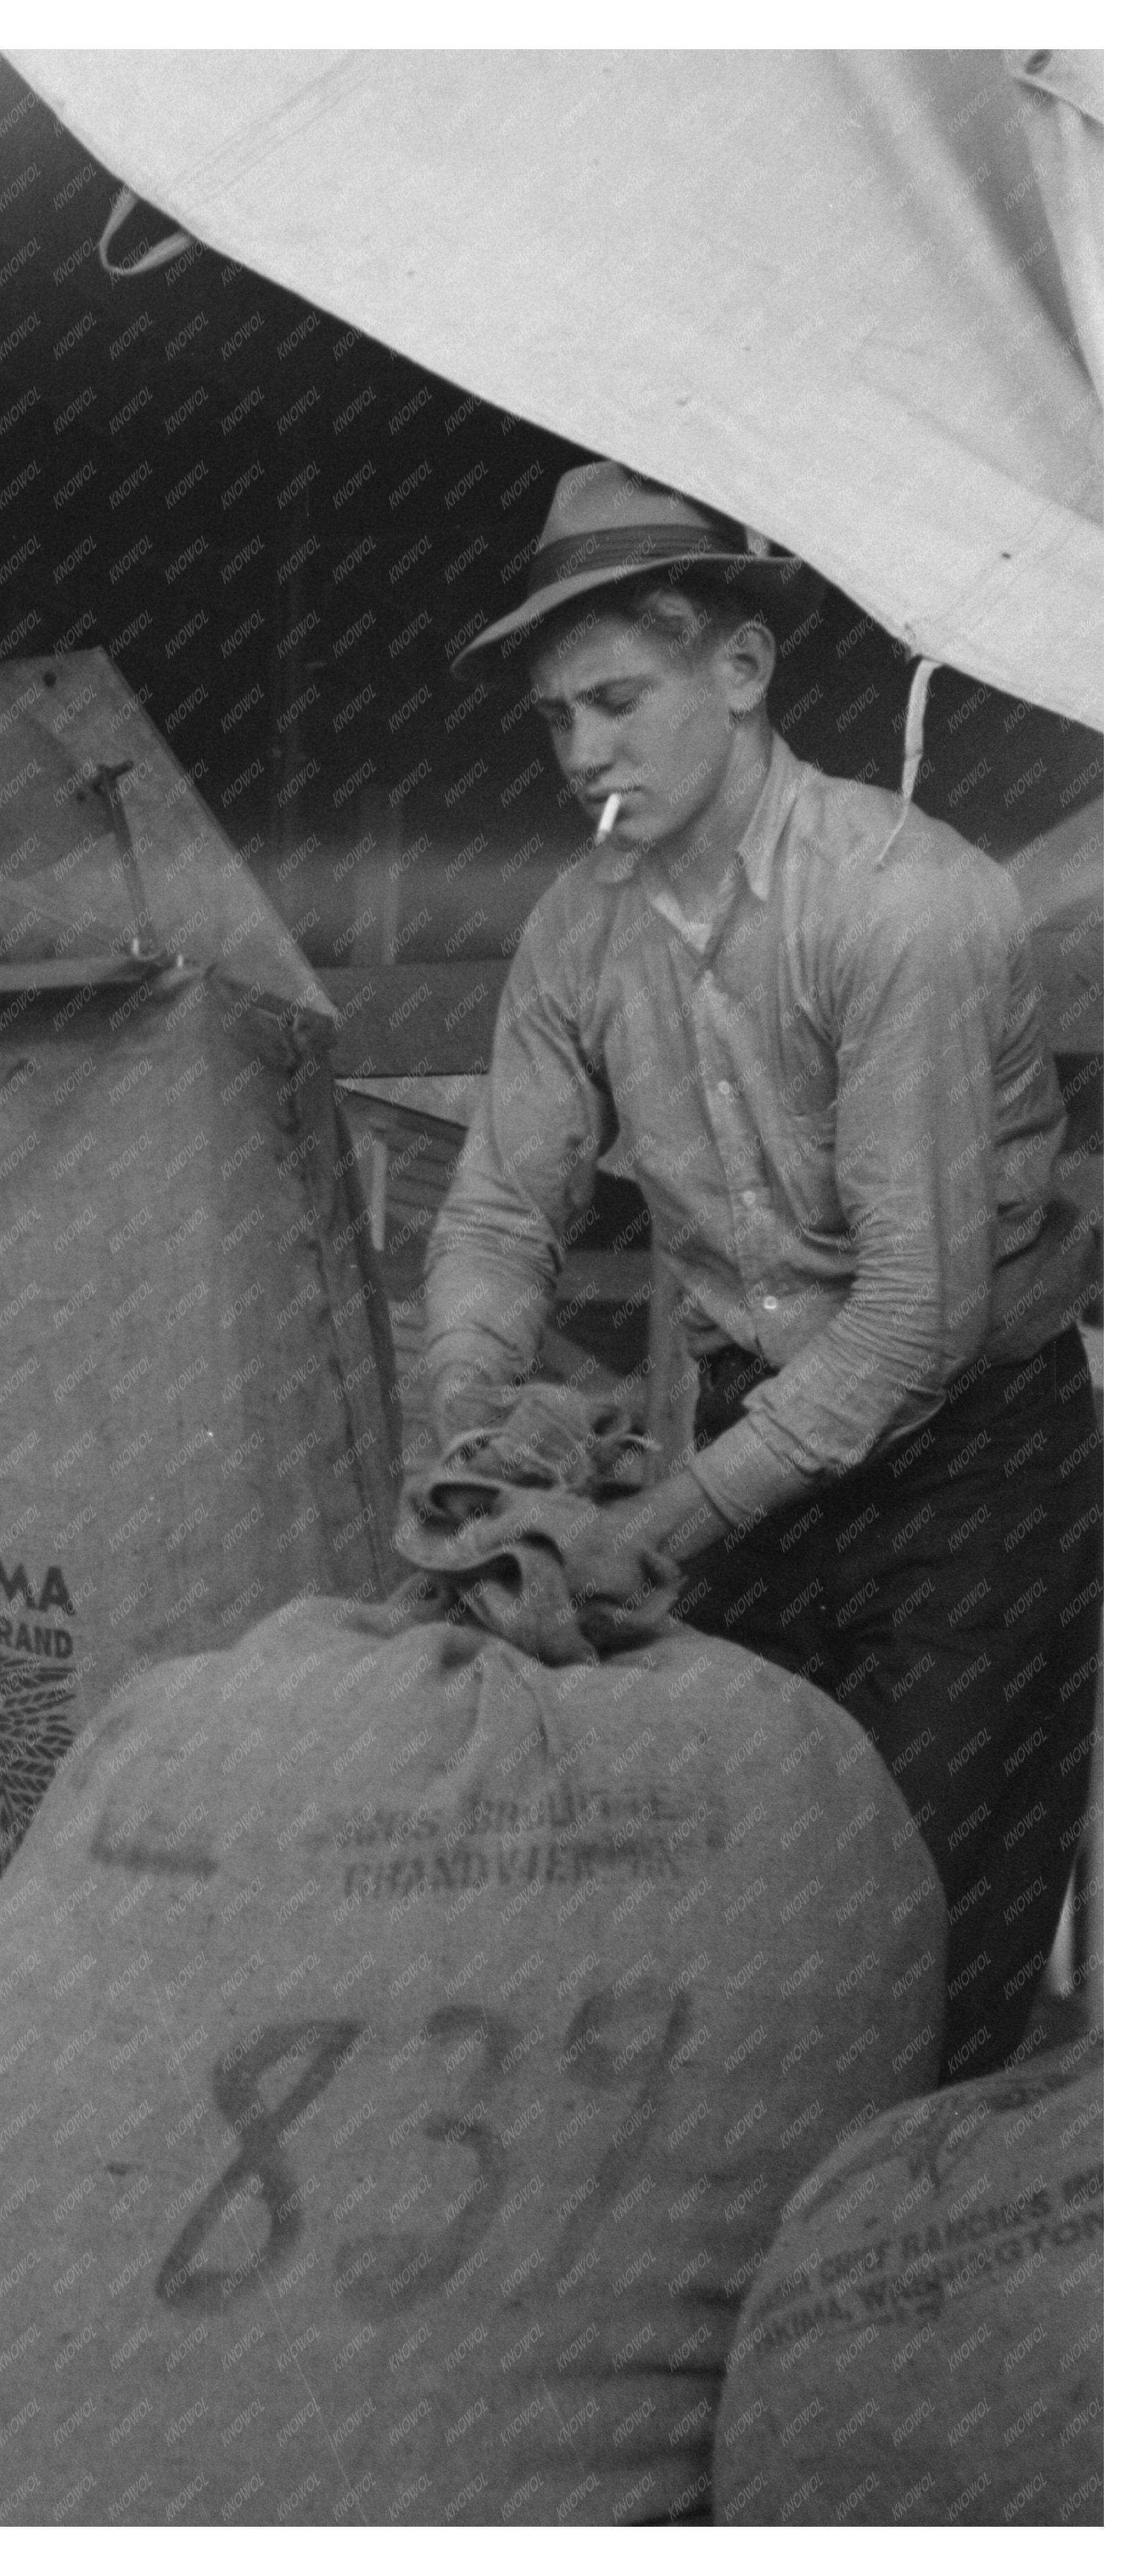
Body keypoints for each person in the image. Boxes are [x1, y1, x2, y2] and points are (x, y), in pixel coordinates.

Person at [425, 460, 1099, 2083]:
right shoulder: (574, 935)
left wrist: (666, 1517)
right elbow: (502, 1215)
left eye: (616, 701)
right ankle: (744, 2291)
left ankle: (905, 2309)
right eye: (555, 720)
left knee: (919, 1920)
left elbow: (915, 1323)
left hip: (977, 1464)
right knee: (740, 1899)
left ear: (739, 673)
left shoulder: (908, 905)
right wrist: (473, 1417)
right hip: (761, 1454)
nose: (582, 752)